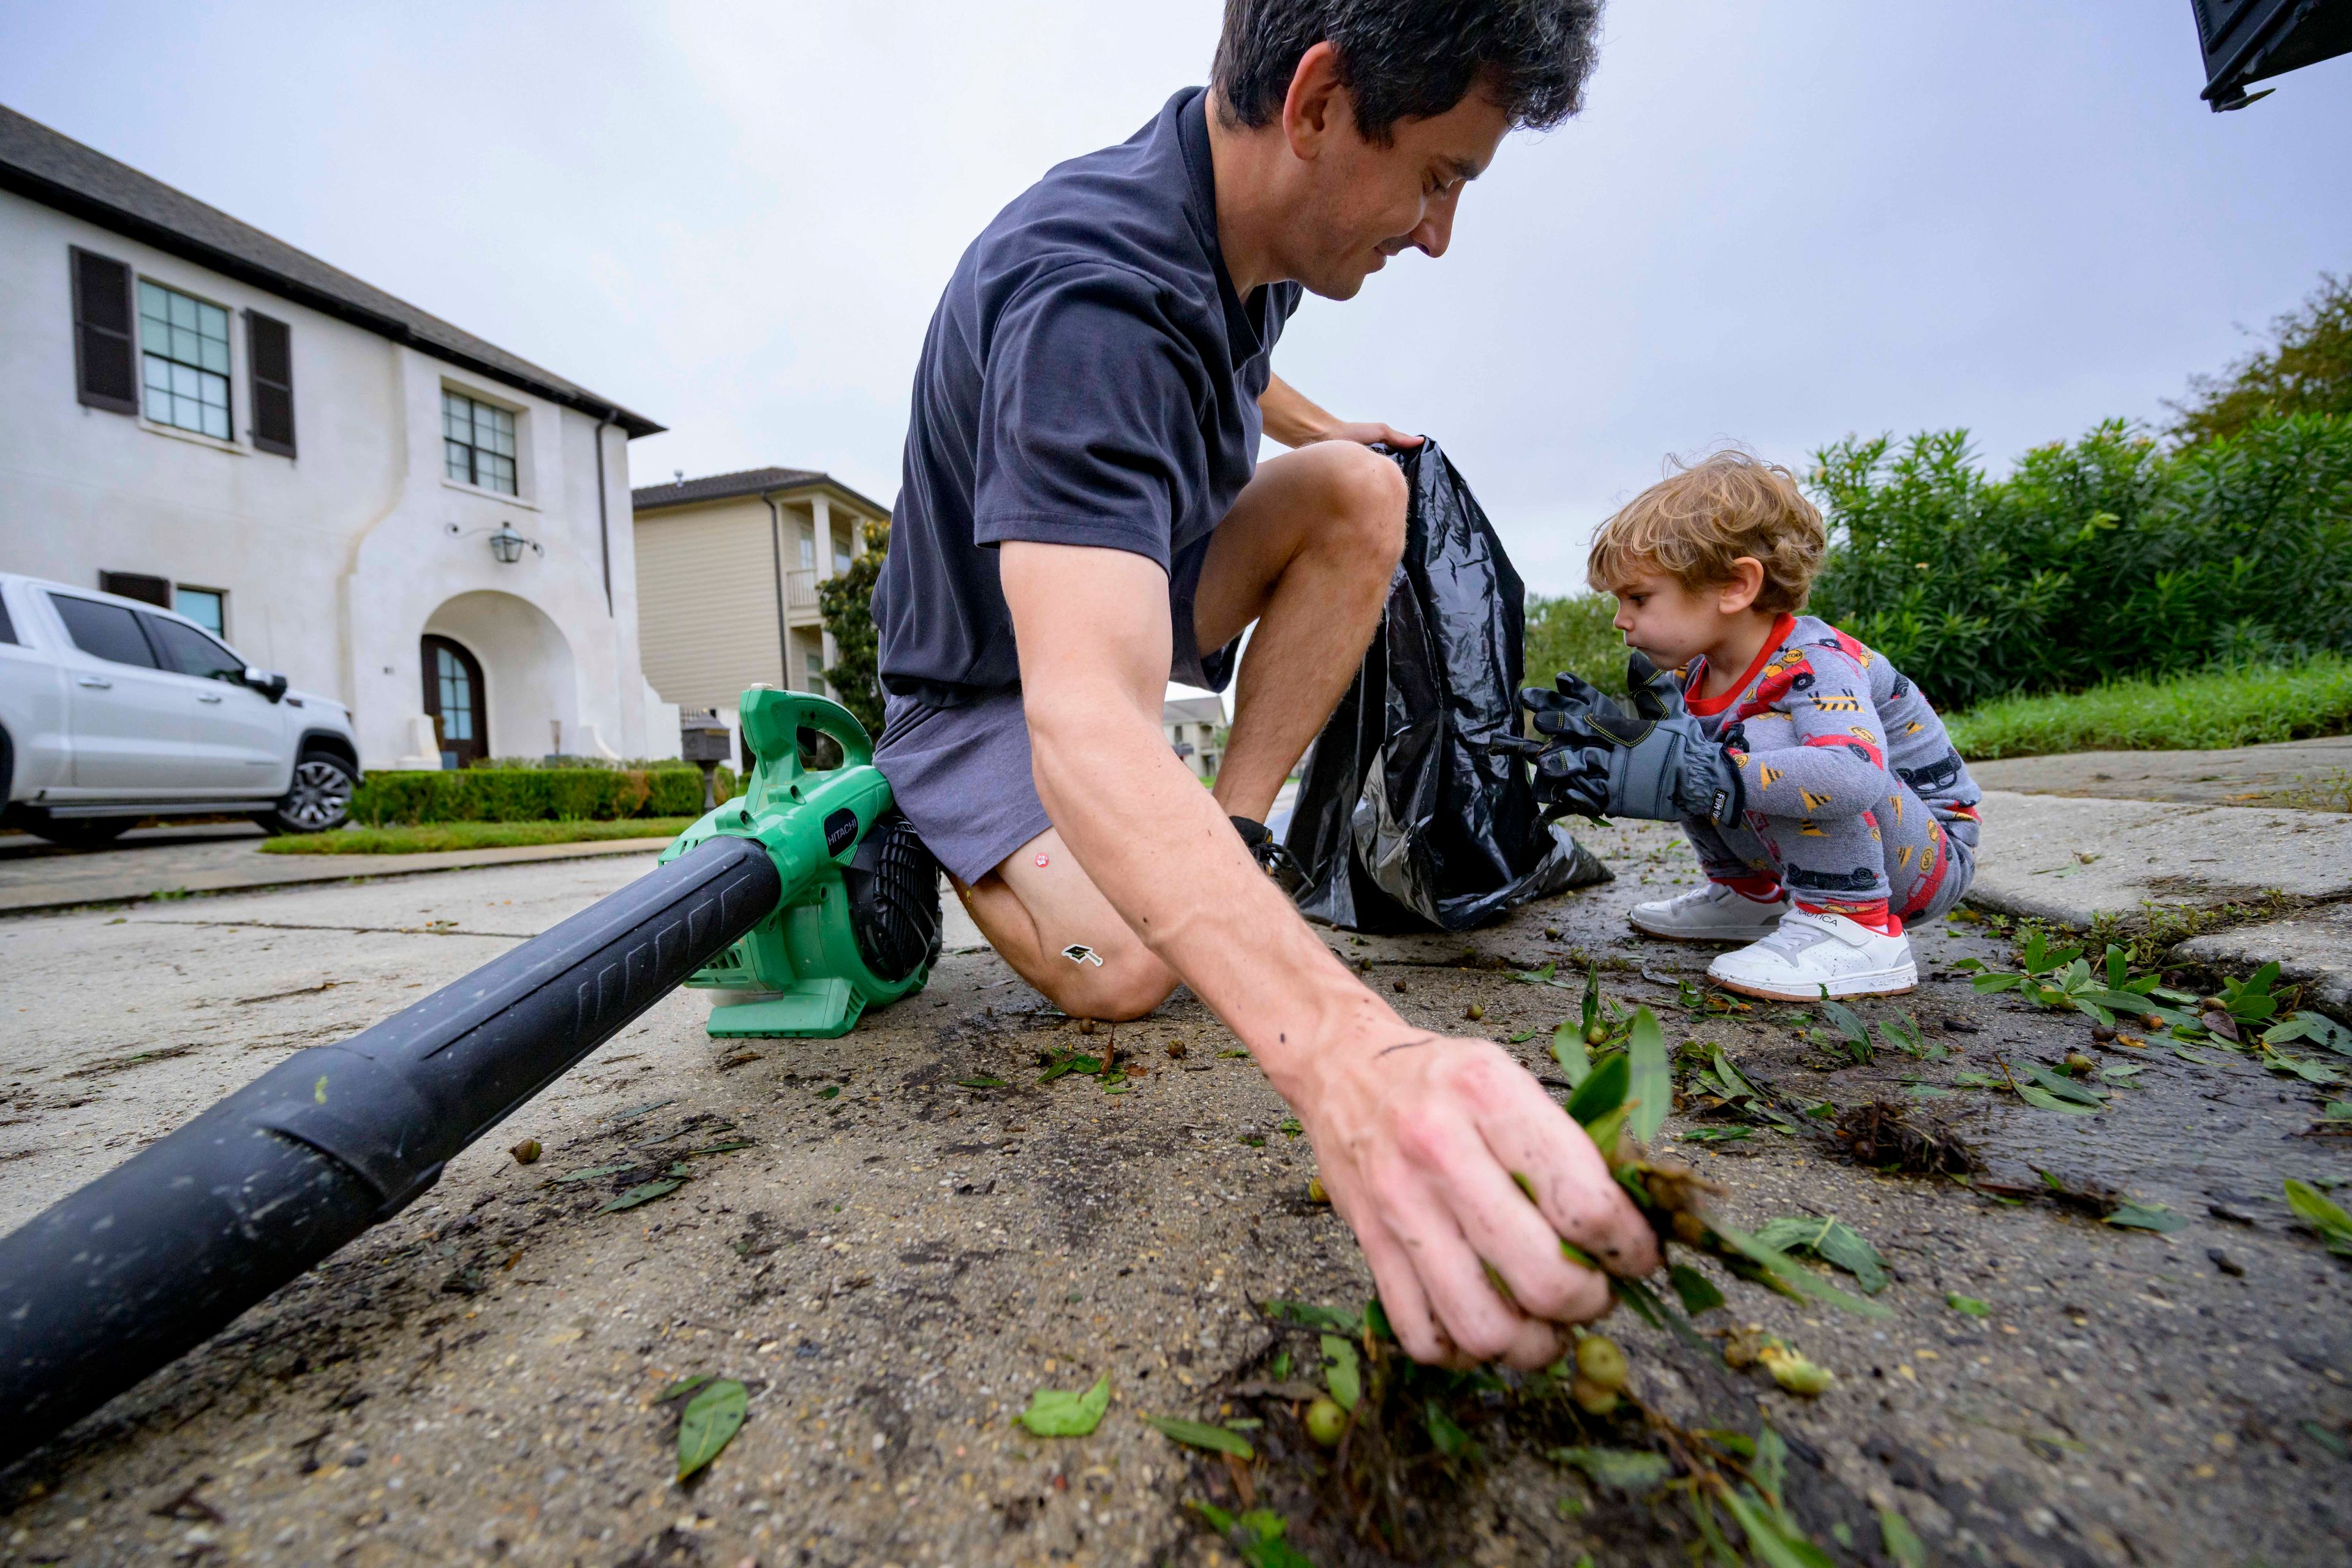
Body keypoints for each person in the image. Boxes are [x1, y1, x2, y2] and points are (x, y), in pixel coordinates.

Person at [868, 0, 1656, 1370]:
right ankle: (928, 810)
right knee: (1124, 974)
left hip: (1128, 579)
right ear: (1316, 103)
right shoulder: (1088, 306)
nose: (1437, 231)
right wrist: (1349, 1054)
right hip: (984, 680)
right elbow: (1083, 715)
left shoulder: (1252, 223)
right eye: (1438, 176)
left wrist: (1315, 425)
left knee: (1362, 492)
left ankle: (1223, 832)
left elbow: (1244, 354)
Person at [1520, 451, 1984, 1000]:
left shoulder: (1815, 662)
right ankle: (1750, 896)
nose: (1622, 619)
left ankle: (1857, 930)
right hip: (1866, 836)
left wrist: (1711, 770)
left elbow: (1852, 776)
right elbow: (1692, 767)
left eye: (1639, 597)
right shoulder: (1698, 674)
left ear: (1736, 586)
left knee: (1744, 745)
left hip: (1926, 856)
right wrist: (1646, 763)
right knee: (1677, 745)